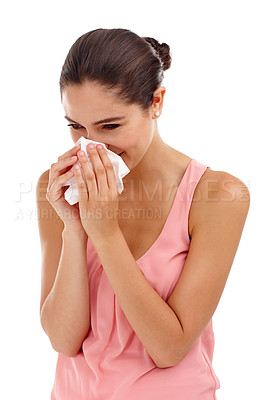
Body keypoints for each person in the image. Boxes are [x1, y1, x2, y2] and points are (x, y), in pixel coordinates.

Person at [36, 28, 250, 400]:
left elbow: (169, 349)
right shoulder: (56, 189)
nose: (91, 146)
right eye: (76, 127)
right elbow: (63, 340)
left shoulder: (217, 196)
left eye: (111, 126)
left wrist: (104, 233)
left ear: (156, 102)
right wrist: (74, 228)